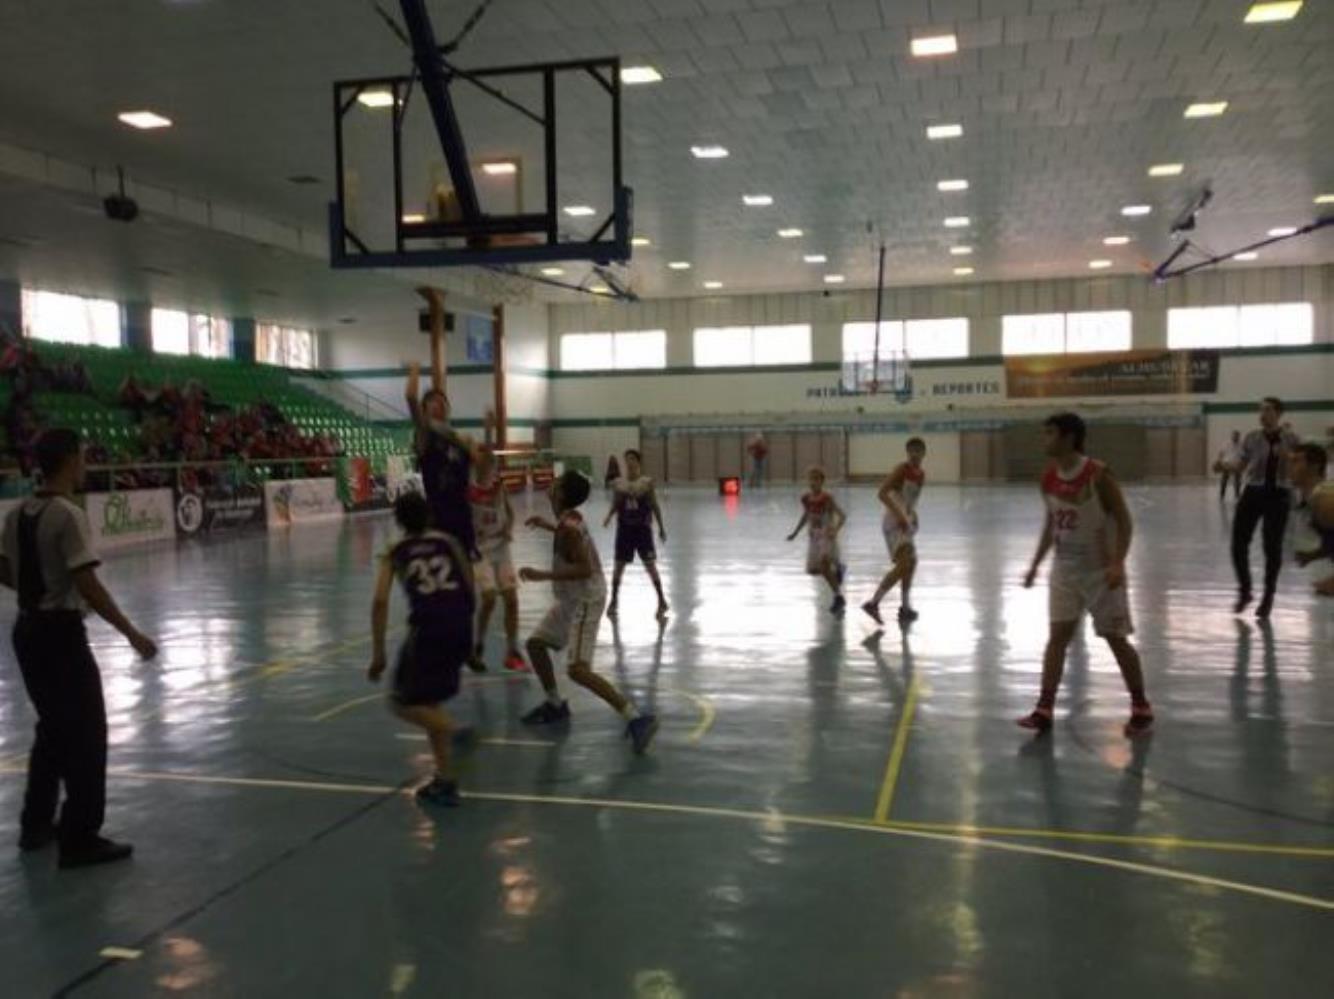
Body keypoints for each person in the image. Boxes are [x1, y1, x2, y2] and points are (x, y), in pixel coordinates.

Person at [0, 429, 158, 867]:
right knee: (88, 733)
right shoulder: (68, 515)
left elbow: (4, 569)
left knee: (51, 729)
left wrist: (37, 587)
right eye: (82, 457)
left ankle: (35, 823)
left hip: (27, 632)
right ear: (71, 460)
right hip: (61, 637)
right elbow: (88, 584)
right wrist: (131, 632)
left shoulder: (17, 514)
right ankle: (80, 834)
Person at [1018, 413, 1152, 738]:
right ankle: (1044, 709)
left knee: (1116, 639)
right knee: (1057, 639)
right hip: (1064, 571)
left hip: (1100, 572)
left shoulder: (1098, 475)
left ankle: (1141, 707)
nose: (1044, 439)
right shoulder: (1048, 478)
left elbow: (1124, 520)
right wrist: (1036, 564)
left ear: (1068, 438)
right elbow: (1051, 524)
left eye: (1049, 433)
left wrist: (1118, 562)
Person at [517, 470, 658, 754]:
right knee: (535, 644)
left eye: (556, 484)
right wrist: (547, 525)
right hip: (571, 599)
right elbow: (567, 533)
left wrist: (541, 575)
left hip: (586, 599)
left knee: (578, 671)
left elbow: (584, 568)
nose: (551, 485)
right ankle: (555, 704)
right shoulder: (567, 520)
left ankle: (636, 718)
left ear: (561, 493)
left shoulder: (568, 526)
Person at [367, 491, 476, 806]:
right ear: (428, 515)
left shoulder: (396, 551)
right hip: (459, 624)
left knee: (401, 702)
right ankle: (445, 780)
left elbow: (379, 601)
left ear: (398, 521)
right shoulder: (449, 542)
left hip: (429, 629)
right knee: (428, 701)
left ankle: (454, 732)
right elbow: (469, 587)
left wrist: (378, 654)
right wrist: (468, 638)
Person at [404, 287, 479, 557]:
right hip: (437, 518)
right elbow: (411, 397)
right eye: (432, 401)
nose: (438, 403)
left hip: (464, 517)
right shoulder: (426, 434)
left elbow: (480, 470)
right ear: (426, 410)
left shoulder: (458, 438)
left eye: (441, 400)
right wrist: (414, 370)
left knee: (469, 580)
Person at [1228, 397, 1300, 619]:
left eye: (1267, 410)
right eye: (1260, 410)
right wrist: (1224, 467)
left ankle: (1268, 596)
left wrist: (1288, 457)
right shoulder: (1251, 438)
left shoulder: (1292, 439)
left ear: (1278, 413)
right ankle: (1245, 590)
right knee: (1238, 543)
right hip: (1254, 491)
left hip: (1279, 494)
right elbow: (1240, 466)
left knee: (1272, 546)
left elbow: (1301, 466)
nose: (1262, 414)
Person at [467, 446, 527, 672]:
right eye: (486, 464)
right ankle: (478, 643)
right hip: (480, 550)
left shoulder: (499, 488)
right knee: (490, 598)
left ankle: (512, 650)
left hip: (501, 548)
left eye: (492, 465)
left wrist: (509, 528)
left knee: (511, 599)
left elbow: (510, 513)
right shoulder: (469, 492)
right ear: (478, 467)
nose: (490, 469)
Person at [863, 438, 927, 626]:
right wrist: (899, 514)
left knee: (912, 562)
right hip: (893, 521)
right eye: (911, 451)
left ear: (924, 453)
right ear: (907, 453)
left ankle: (905, 608)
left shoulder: (921, 475)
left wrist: (912, 514)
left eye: (918, 451)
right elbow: (882, 493)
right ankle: (873, 603)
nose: (915, 454)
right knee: (904, 563)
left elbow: (910, 500)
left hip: (905, 520)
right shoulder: (902, 469)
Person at [604, 448, 669, 621]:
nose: (629, 462)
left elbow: (655, 505)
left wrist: (661, 527)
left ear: (638, 462)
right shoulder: (619, 483)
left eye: (632, 459)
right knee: (618, 566)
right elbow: (617, 503)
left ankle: (662, 600)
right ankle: (614, 601)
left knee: (650, 566)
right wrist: (609, 516)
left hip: (642, 530)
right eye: (627, 459)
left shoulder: (646, 483)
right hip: (624, 530)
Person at [786, 466, 847, 614]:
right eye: (811, 479)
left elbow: (842, 516)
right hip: (814, 536)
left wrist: (835, 530)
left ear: (822, 481)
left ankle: (838, 596)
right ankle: (839, 569)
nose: (813, 482)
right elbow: (806, 516)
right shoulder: (806, 498)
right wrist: (795, 533)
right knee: (818, 570)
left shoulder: (827, 498)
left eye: (816, 479)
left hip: (826, 534)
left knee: (824, 564)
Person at [1289, 442, 1334, 598]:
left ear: (1314, 466)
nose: (1289, 467)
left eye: (1296, 461)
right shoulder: (1316, 497)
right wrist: (1314, 555)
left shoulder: (1325, 500)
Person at [1214, 430, 1243, 501]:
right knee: (1224, 479)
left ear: (1239, 437)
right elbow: (1221, 453)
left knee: (1238, 480)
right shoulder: (1226, 443)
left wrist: (1242, 463)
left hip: (1237, 464)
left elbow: (1244, 455)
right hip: (1227, 463)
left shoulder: (1242, 444)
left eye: (1237, 436)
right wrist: (1219, 461)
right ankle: (1222, 495)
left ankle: (1237, 494)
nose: (1235, 437)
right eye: (1234, 436)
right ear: (1232, 436)